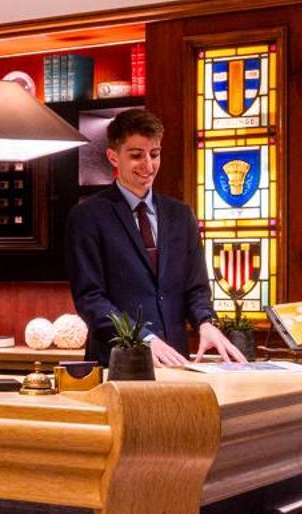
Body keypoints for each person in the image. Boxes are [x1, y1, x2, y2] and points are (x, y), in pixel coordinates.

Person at [65, 108, 249, 368]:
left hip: (175, 362)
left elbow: (196, 288)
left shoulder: (181, 215)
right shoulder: (88, 216)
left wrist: (206, 323)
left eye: (155, 154)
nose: (148, 165)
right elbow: (90, 299)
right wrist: (144, 338)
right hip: (117, 364)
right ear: (113, 157)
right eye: (136, 155)